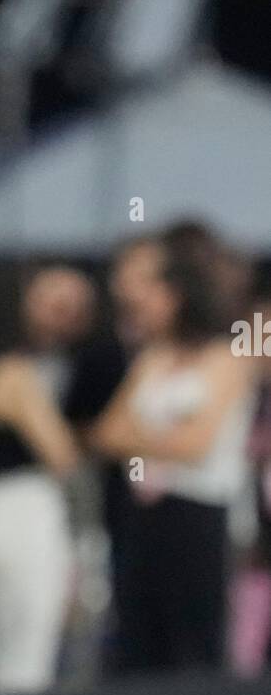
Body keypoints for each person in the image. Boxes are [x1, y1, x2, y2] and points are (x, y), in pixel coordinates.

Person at [89, 254, 256, 671]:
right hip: (143, 518)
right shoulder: (154, 356)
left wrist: (142, 438)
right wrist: (165, 435)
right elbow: (107, 433)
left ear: (181, 297)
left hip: (197, 518)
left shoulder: (225, 359)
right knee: (138, 638)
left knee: (194, 642)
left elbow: (197, 443)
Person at [0, 262, 95, 692]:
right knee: (26, 654)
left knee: (5, 648)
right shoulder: (15, 373)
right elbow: (63, 455)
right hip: (27, 514)